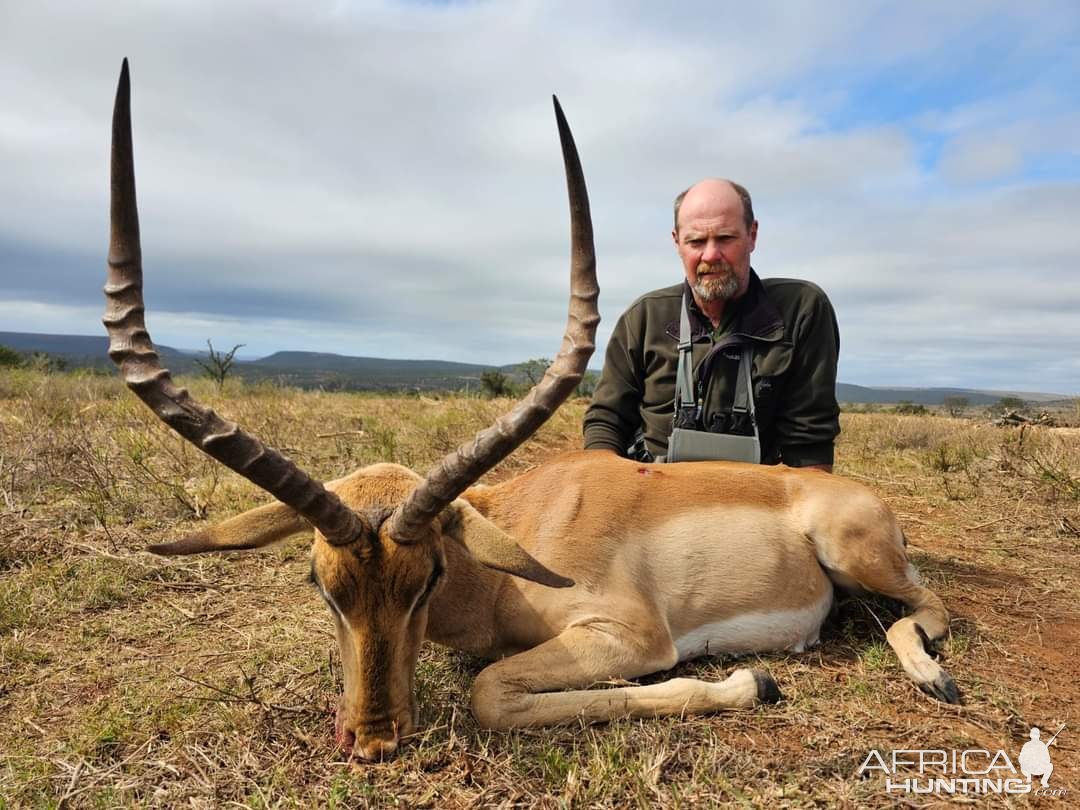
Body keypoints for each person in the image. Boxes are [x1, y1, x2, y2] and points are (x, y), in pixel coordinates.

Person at [583, 178, 839, 471]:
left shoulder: (802, 309)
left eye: (726, 238)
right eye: (696, 241)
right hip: (654, 493)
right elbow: (606, 419)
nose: (710, 255)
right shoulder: (644, 316)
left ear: (752, 235)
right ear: (677, 242)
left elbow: (810, 442)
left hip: (755, 498)